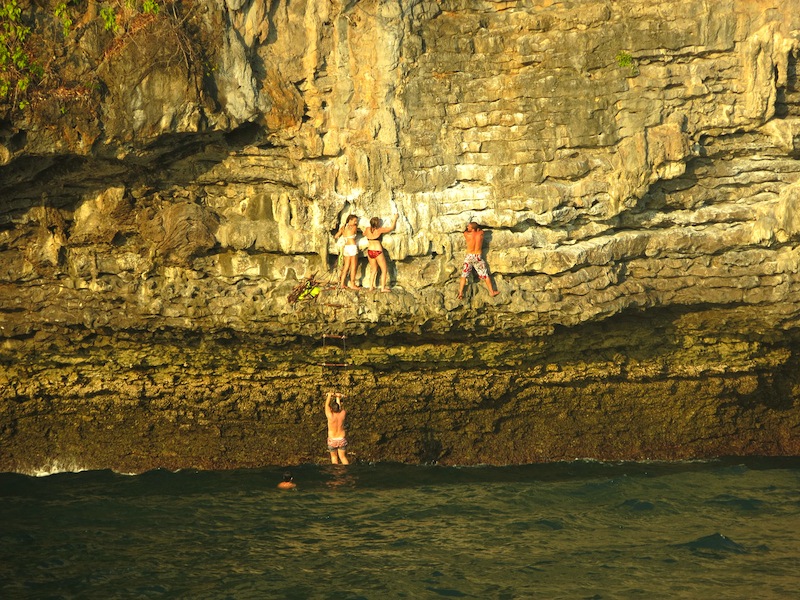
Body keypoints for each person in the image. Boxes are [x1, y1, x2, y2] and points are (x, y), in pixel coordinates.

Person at [458, 221, 500, 299]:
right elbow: (480, 229)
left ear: (472, 228)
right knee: (485, 275)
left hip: (469, 257)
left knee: (464, 275)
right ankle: (492, 292)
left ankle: (460, 293)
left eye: (469, 226)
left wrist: (468, 229)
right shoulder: (481, 233)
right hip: (478, 257)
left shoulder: (467, 234)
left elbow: (464, 231)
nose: (467, 227)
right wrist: (476, 228)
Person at [364, 214, 399, 292]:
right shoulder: (379, 230)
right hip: (378, 251)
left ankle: (371, 287)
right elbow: (391, 228)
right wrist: (395, 219)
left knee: (373, 269)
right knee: (384, 269)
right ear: (378, 224)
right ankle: (383, 288)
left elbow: (364, 234)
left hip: (370, 251)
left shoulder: (367, 229)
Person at [334, 214, 361, 289]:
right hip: (352, 247)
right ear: (350, 220)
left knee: (346, 266)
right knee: (353, 266)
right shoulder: (354, 227)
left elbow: (336, 236)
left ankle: (342, 283)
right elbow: (356, 232)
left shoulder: (343, 227)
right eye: (354, 220)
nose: (356, 222)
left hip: (346, 247)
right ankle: (352, 284)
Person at [324, 391, 349, 465]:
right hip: (341, 439)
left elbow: (326, 405)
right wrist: (338, 397)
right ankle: (347, 472)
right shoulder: (343, 414)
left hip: (332, 439)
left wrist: (329, 395)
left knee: (334, 458)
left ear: (331, 409)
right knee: (343, 457)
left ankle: (336, 474)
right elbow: (340, 408)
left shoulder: (330, 416)